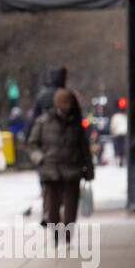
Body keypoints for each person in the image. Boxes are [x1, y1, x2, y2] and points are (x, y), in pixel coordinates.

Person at [27, 87, 94, 231]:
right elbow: (32, 144)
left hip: (72, 169)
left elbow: (84, 148)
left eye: (68, 103)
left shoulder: (76, 123)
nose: (66, 107)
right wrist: (40, 159)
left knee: (71, 205)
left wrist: (89, 170)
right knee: (52, 206)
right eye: (63, 103)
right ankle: (56, 233)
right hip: (51, 169)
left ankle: (68, 235)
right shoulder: (44, 121)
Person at [26, 67, 68, 135]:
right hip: (63, 134)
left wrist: (27, 135)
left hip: (45, 134)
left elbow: (34, 117)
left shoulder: (42, 95)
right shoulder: (67, 95)